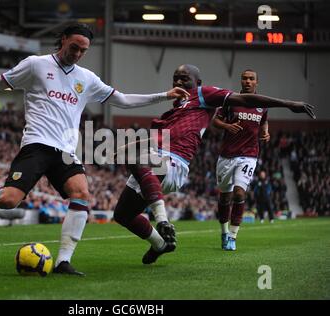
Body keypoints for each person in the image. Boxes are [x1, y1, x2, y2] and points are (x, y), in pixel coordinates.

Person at [0, 23, 188, 276]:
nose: (77, 54)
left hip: (65, 151)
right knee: (8, 201)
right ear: (63, 39)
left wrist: (163, 96)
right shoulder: (35, 65)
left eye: (83, 50)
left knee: (81, 193)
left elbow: (122, 100)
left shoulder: (86, 78)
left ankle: (64, 261)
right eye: (74, 47)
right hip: (36, 145)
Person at [113, 64, 315, 264]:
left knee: (136, 157)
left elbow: (245, 99)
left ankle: (163, 220)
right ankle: (160, 244)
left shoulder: (203, 94)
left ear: (197, 82)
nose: (179, 82)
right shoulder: (178, 109)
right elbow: (160, 138)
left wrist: (289, 103)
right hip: (153, 163)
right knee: (123, 214)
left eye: (184, 78)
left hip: (173, 162)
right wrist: (127, 146)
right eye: (176, 78)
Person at [213, 69, 270, 251]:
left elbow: (263, 121)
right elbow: (215, 121)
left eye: (251, 79)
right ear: (241, 81)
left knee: (239, 193)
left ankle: (233, 236)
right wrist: (227, 126)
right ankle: (224, 231)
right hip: (227, 155)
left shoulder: (262, 105)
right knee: (225, 197)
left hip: (249, 155)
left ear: (256, 82)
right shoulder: (231, 100)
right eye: (245, 78)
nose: (247, 81)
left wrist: (265, 132)